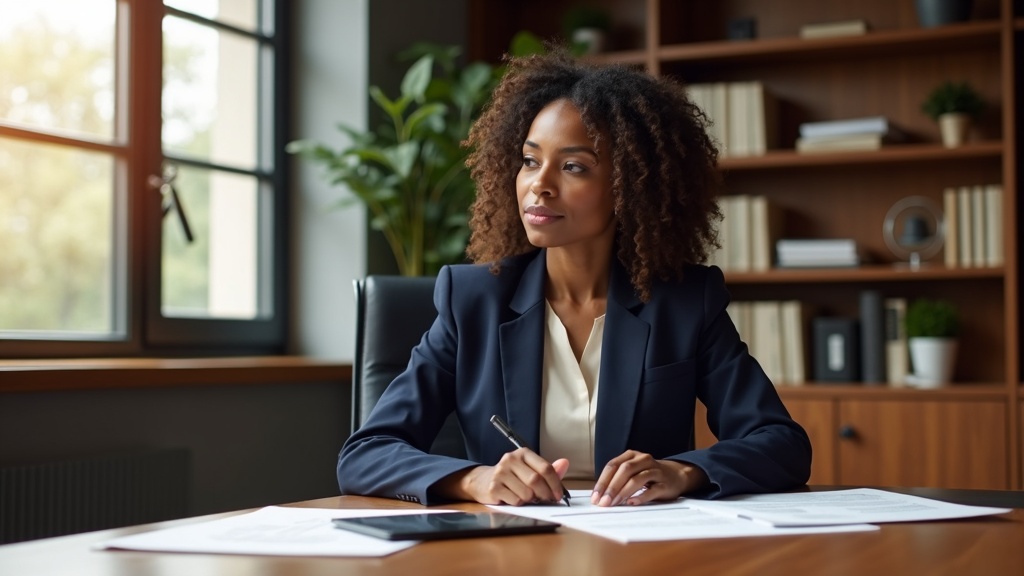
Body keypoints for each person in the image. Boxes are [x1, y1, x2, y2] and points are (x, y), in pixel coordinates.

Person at [338, 50, 811, 508]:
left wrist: (683, 471)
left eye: (573, 167)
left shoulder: (684, 302)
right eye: (529, 160)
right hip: (508, 549)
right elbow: (366, 454)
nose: (539, 184)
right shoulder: (473, 301)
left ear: (630, 186)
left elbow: (782, 444)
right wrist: (475, 480)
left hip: (644, 548)